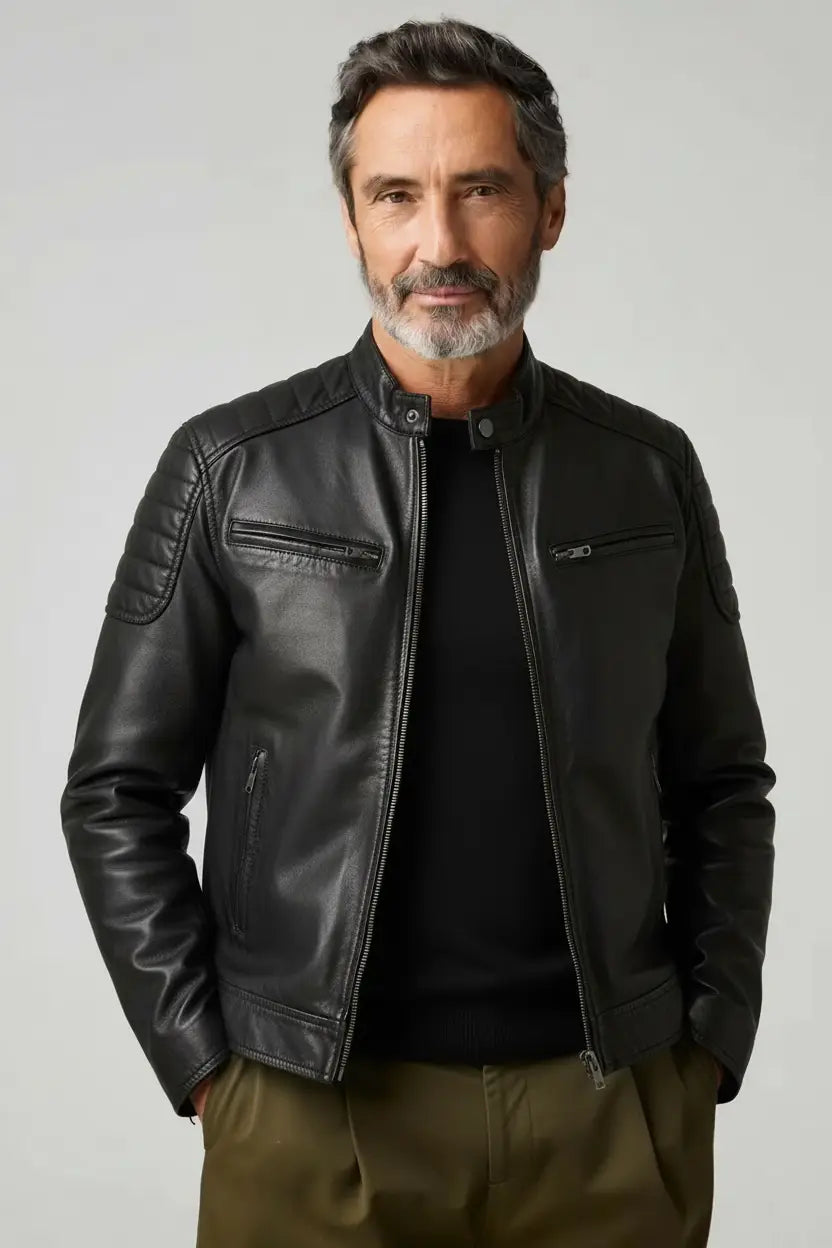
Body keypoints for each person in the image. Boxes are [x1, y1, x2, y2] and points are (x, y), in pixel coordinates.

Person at [60, 17, 776, 1247]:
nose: (438, 243)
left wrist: (705, 1044)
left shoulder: (645, 473)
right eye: (395, 195)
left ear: (550, 209)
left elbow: (722, 782)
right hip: (308, 1115)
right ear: (351, 221)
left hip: (609, 1116)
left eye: (480, 191)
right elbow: (114, 790)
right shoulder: (231, 469)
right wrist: (210, 1069)